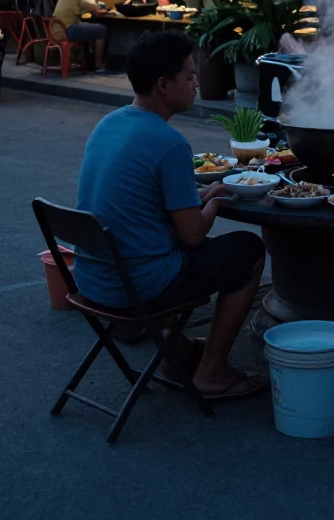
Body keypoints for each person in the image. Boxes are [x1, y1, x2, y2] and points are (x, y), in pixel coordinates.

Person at [74, 29, 266, 400]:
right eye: (190, 75)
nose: (196, 83)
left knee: (170, 247)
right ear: (163, 84)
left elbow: (142, 195)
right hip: (136, 285)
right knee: (248, 250)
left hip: (91, 277)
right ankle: (211, 372)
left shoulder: (109, 123)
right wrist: (218, 198)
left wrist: (200, 193)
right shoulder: (170, 142)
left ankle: (174, 355)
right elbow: (192, 235)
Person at [53, 0, 110, 72]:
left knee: (89, 28)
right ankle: (98, 65)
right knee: (101, 29)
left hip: (55, 30)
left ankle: (88, 61)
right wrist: (108, 10)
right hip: (68, 30)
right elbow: (96, 12)